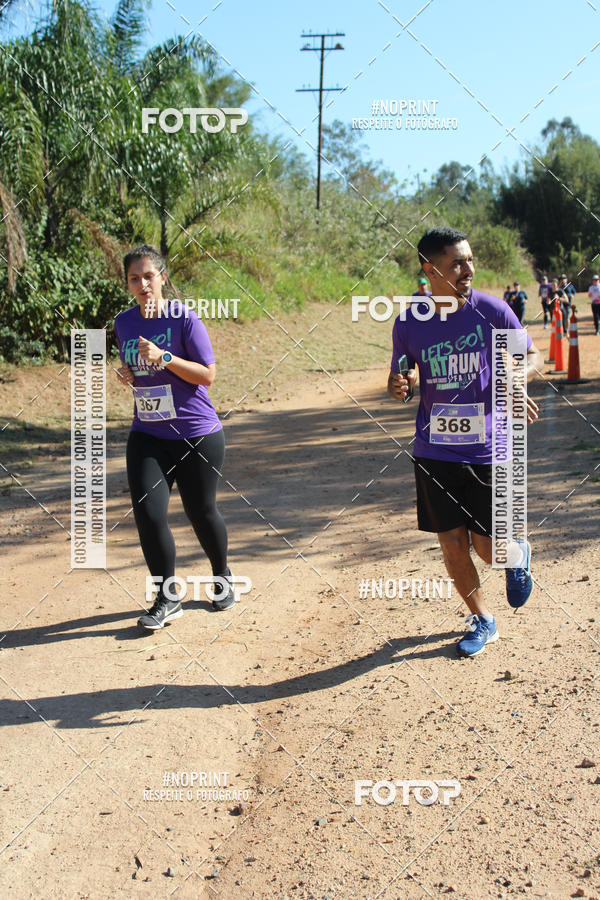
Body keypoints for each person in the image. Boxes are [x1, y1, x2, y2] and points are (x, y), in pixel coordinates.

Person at [387, 226, 541, 658]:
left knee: (488, 549)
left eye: (470, 260)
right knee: (451, 543)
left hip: (487, 448)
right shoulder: (410, 321)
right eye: (458, 262)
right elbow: (402, 373)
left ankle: (517, 553)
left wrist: (515, 376)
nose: (468, 269)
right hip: (434, 448)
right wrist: (400, 383)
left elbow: (531, 355)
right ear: (430, 268)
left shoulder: (491, 311)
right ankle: (482, 617)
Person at [114, 244, 237, 631]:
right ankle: (167, 596)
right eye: (135, 278)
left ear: (162, 277)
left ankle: (222, 576)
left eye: (149, 276)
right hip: (148, 433)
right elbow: (137, 370)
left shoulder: (184, 318)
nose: (143, 284)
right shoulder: (123, 322)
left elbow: (207, 375)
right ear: (128, 283)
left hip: (196, 433)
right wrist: (129, 375)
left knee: (201, 512)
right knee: (149, 514)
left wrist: (164, 357)